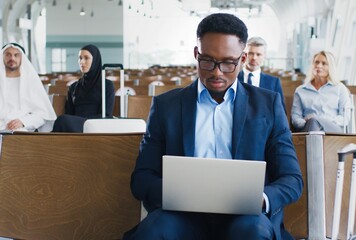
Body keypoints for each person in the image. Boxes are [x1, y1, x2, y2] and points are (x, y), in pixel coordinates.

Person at [124, 13, 303, 240]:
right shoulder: (166, 106)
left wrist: (261, 198)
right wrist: (174, 193)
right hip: (183, 216)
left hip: (246, 218)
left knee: (253, 231)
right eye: (207, 61)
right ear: (196, 54)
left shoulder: (268, 105)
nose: (217, 72)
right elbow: (141, 178)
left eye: (228, 63)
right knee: (154, 229)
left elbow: (292, 179)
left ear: (243, 58)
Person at [52, 44, 115, 132]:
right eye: (80, 58)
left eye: (86, 58)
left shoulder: (107, 85)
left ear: (95, 60)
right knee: (62, 121)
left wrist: (83, 121)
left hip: (96, 125)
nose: (82, 62)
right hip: (75, 125)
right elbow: (69, 113)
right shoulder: (74, 87)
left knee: (62, 120)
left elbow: (106, 115)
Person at [0, 43, 56, 132]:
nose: (12, 58)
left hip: (22, 129)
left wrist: (23, 121)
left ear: (22, 58)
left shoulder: (31, 81)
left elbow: (43, 114)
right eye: (8, 55)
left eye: (16, 55)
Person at [291, 50, 350, 133]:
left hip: (332, 130)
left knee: (314, 121)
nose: (319, 66)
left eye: (324, 63)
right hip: (309, 128)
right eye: (316, 62)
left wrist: (320, 120)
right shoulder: (300, 91)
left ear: (331, 67)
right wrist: (307, 121)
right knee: (313, 123)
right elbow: (295, 119)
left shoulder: (340, 88)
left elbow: (345, 118)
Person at [237, 36, 286, 113]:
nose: (254, 58)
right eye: (250, 53)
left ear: (264, 56)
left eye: (258, 54)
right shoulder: (234, 78)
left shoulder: (273, 82)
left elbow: (281, 112)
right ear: (244, 54)